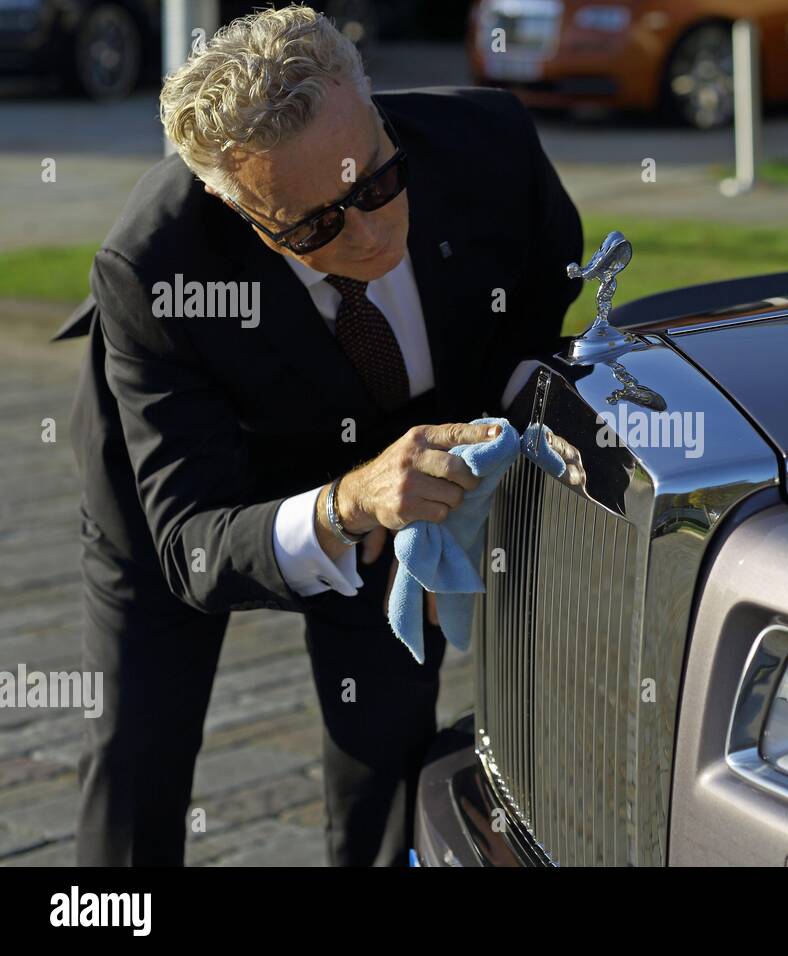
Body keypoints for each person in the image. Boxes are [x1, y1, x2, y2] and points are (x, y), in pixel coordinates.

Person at [51, 3, 582, 865]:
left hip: (392, 456)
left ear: (371, 106)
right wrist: (341, 503)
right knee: (139, 740)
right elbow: (192, 544)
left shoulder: (493, 146)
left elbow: (534, 313)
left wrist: (515, 420)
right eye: (312, 228)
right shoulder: (153, 267)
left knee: (386, 730)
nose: (371, 236)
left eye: (375, 183)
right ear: (238, 206)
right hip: (182, 486)